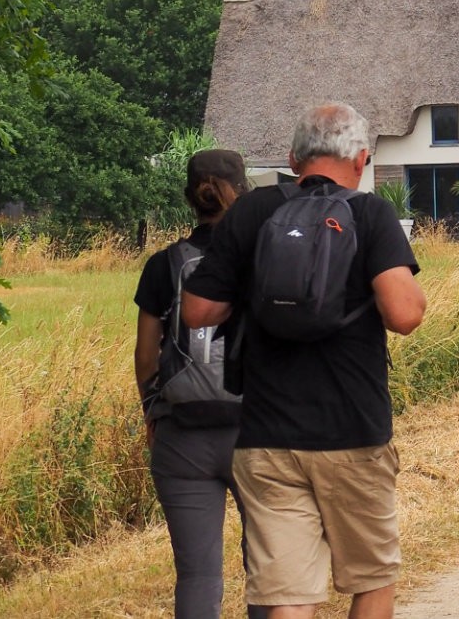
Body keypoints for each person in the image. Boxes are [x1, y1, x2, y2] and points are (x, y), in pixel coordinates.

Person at [182, 103, 426, 619]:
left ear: (295, 159)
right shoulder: (370, 214)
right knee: (373, 578)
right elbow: (404, 315)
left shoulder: (252, 212)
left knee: (289, 596)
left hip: (268, 435)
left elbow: (198, 312)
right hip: (353, 430)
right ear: (362, 161)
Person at [132, 149, 269, 619]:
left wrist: (153, 410)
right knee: (269, 569)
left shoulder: (164, 265)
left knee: (197, 575)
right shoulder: (261, 257)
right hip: (257, 433)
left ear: (191, 197)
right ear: (241, 192)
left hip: (183, 435)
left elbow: (146, 357)